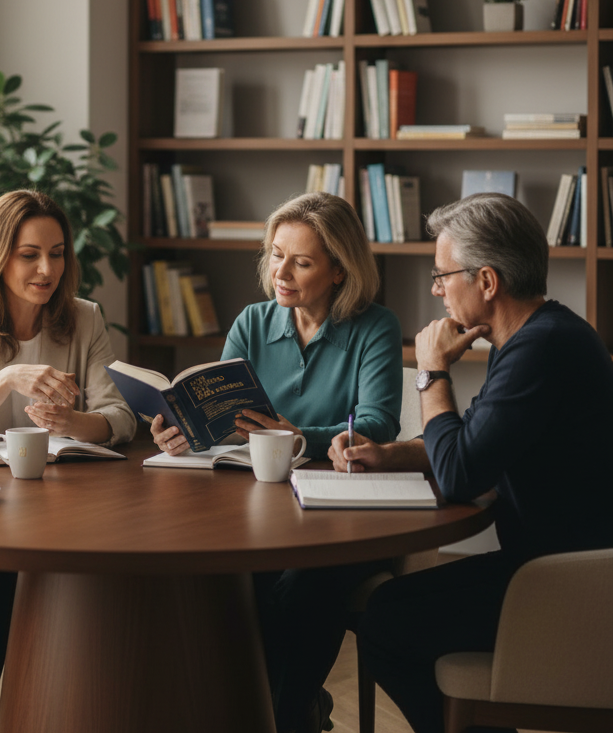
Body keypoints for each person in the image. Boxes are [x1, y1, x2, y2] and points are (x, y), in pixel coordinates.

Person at [325, 193, 613, 733]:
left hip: (567, 584)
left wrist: (430, 372)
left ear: (486, 281)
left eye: (441, 275)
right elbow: (472, 443)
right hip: (557, 567)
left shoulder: (539, 351)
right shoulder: (538, 336)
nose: (436, 289)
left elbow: (459, 472)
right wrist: (387, 454)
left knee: (387, 618)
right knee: (393, 610)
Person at [151, 192, 403, 733]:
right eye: (275, 254)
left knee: (302, 585)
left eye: (302, 261)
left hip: (343, 513)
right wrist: (186, 430)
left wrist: (300, 438)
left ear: (340, 270)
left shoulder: (375, 327)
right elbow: (221, 414)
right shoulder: (252, 321)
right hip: (256, 506)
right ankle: (278, 712)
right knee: (227, 582)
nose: (281, 271)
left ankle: (281, 717)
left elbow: (378, 425)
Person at [0, 188, 136, 733]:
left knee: (118, 571)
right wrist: (7, 379)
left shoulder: (83, 319)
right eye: (29, 254)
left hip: (65, 509)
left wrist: (76, 424)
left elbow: (121, 417)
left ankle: (78, 711)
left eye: (58, 253)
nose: (47, 269)